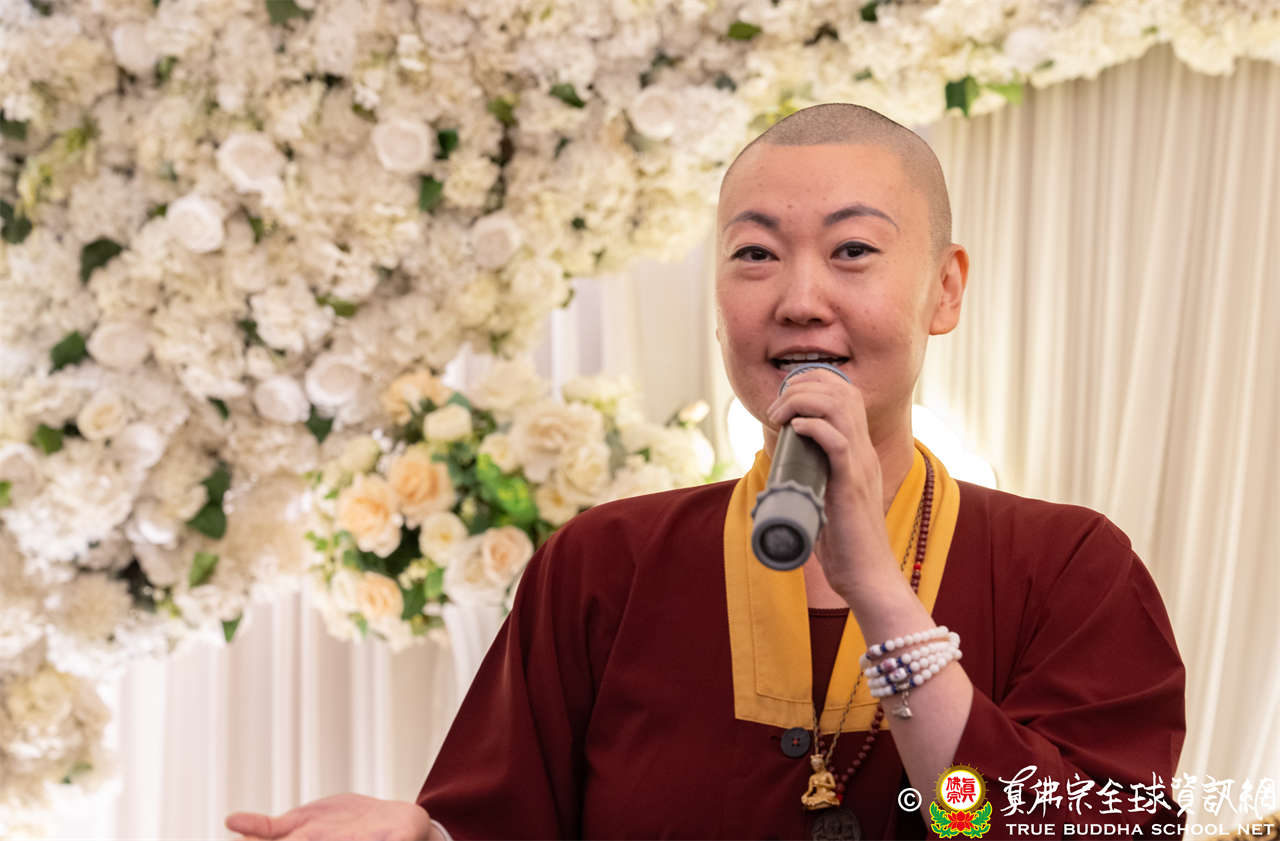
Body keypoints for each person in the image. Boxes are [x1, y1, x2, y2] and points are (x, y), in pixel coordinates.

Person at [226, 103, 1185, 841]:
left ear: (945, 288)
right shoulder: (604, 563)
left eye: (853, 251)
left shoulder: (1067, 567)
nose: (800, 299)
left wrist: (880, 594)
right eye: (755, 254)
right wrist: (421, 836)